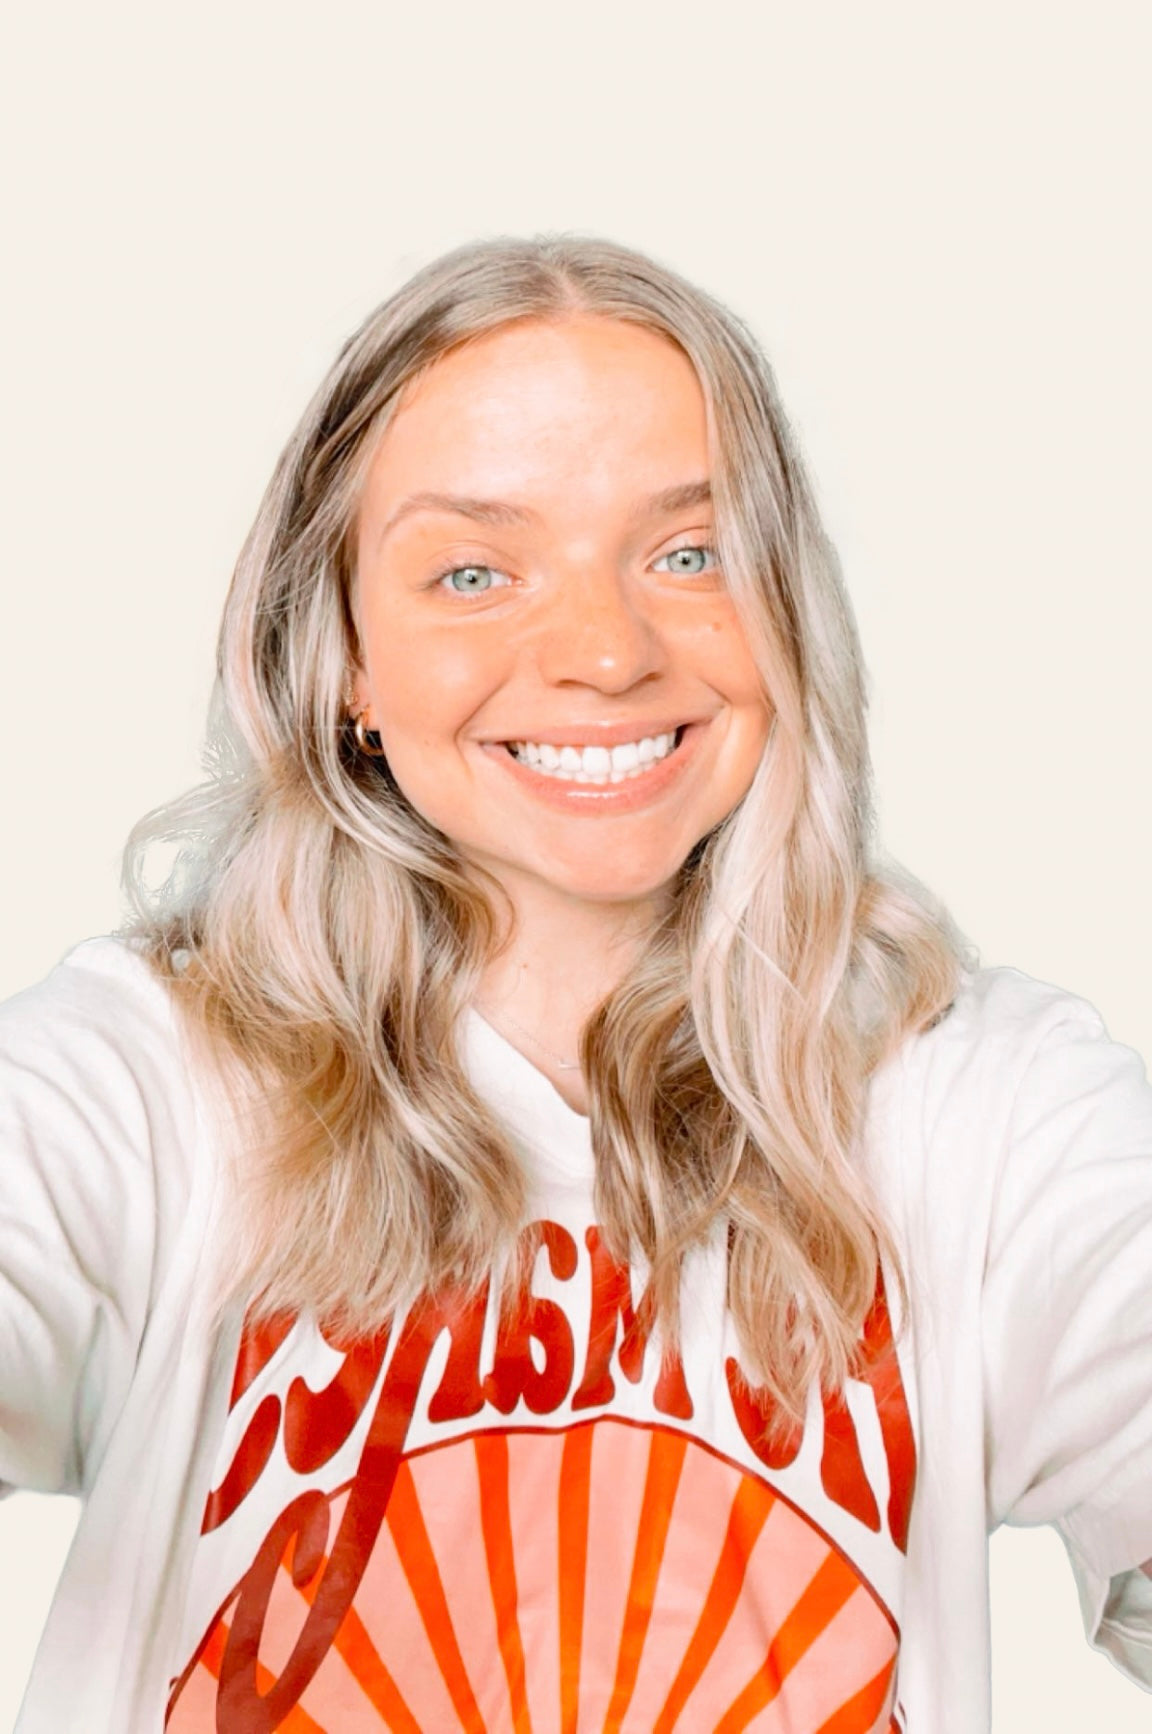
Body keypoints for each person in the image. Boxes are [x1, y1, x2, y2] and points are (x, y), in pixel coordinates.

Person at [1, 234, 1149, 1733]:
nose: (606, 653)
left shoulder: (988, 1109)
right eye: (474, 572)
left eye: (689, 553)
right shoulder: (147, 1083)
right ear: (344, 657)